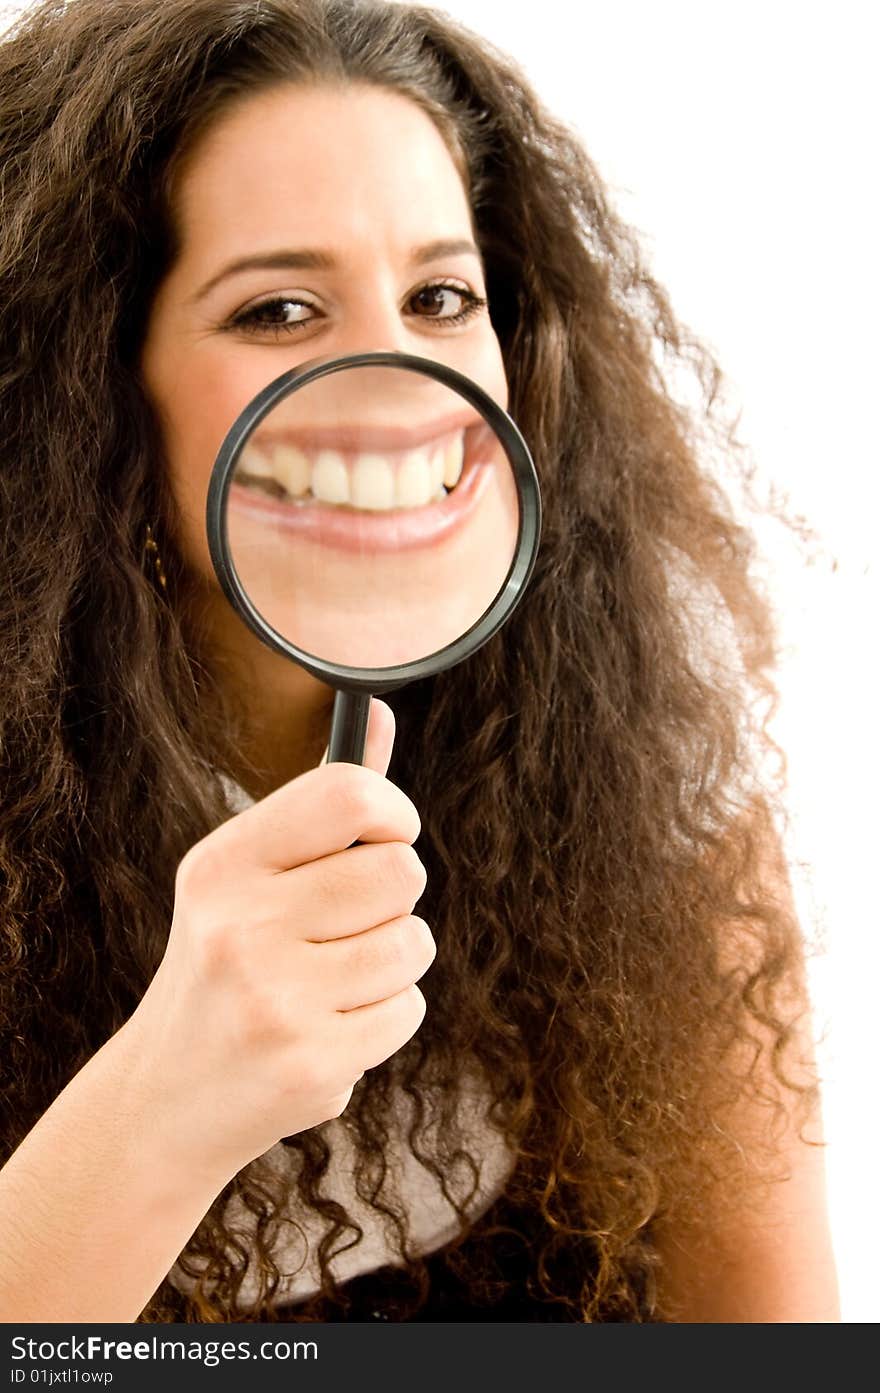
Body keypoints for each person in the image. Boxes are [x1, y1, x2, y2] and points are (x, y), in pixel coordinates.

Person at [0, 0, 839, 1323]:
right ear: (94, 388)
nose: (394, 378)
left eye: (441, 297)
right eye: (278, 309)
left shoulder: (634, 755)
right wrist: (163, 1096)